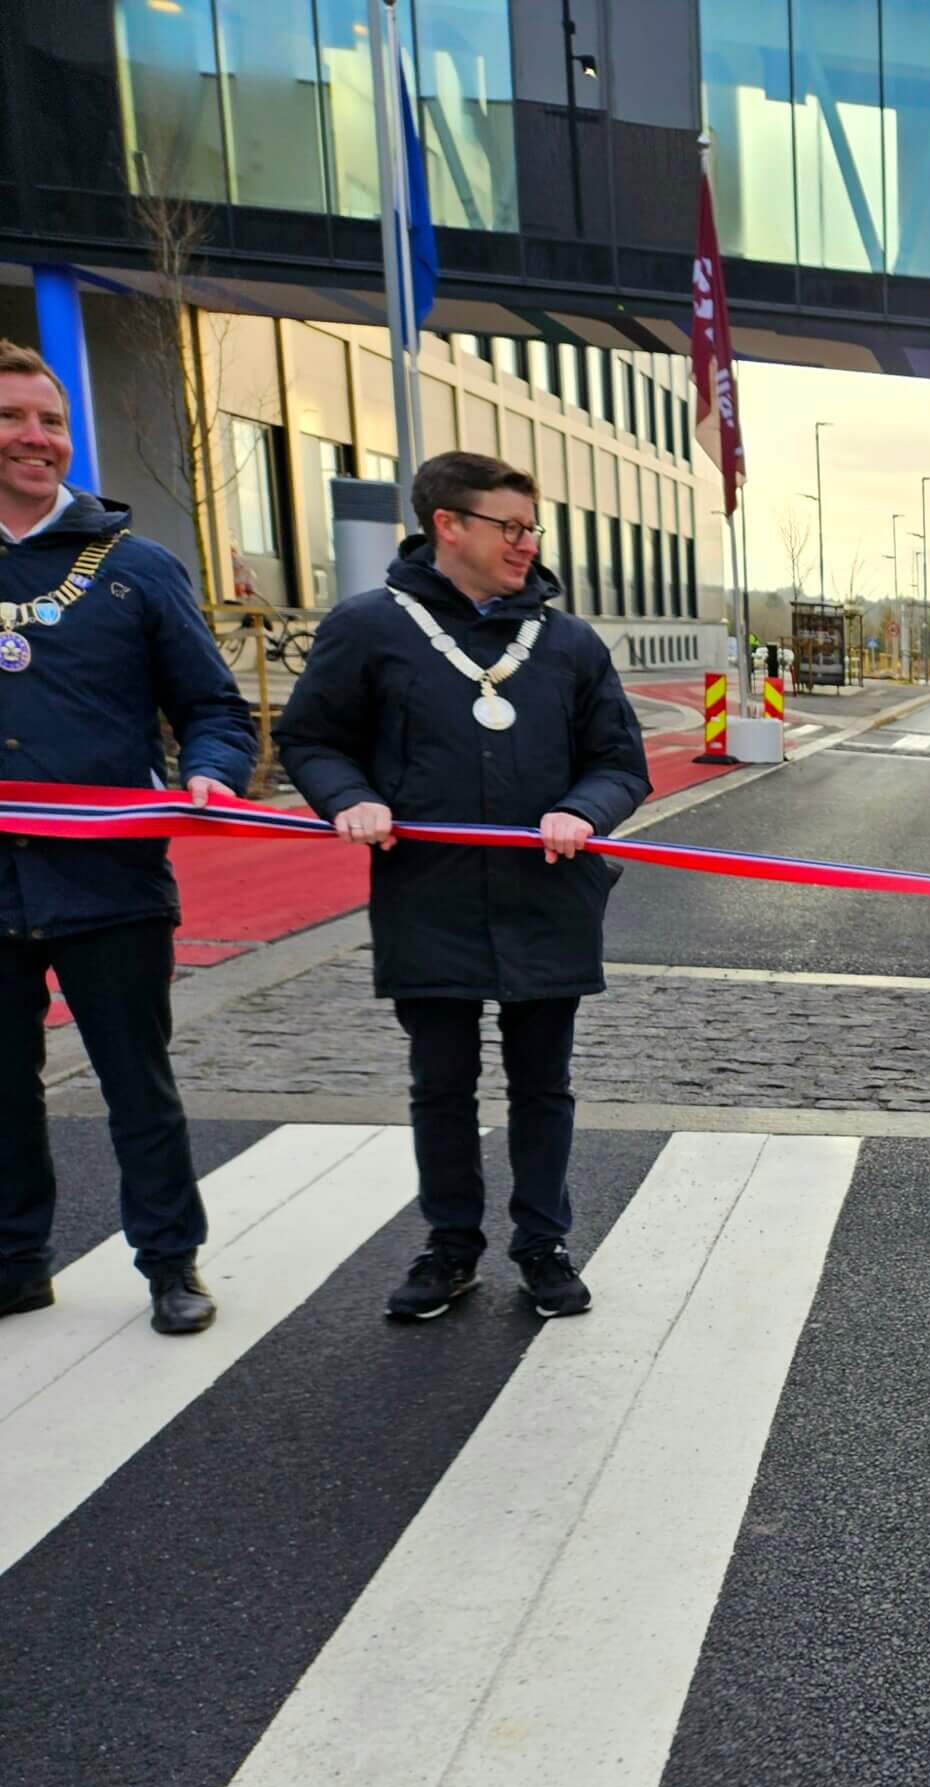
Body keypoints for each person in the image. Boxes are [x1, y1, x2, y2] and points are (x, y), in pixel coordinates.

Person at [277, 451, 648, 1324]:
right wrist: (351, 796)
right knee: (439, 1084)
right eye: (508, 527)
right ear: (449, 525)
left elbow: (619, 763)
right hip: (428, 894)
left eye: (531, 529)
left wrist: (582, 810)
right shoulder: (370, 628)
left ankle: (542, 1243)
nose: (526, 545)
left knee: (543, 1083)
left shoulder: (568, 643)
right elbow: (312, 739)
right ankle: (450, 1247)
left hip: (546, 893)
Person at [0, 341, 255, 1334]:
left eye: (50, 420)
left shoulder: (136, 567)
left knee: (137, 1084)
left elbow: (214, 707)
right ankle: (16, 1260)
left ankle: (170, 1263)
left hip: (109, 880)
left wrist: (210, 772)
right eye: (14, 418)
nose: (36, 437)